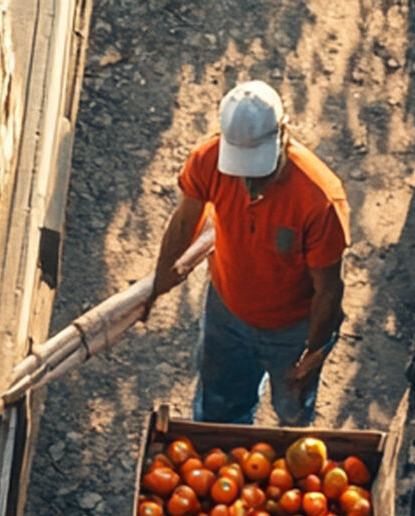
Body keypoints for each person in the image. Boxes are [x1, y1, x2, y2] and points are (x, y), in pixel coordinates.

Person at [147, 79, 350, 427]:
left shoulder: (319, 199)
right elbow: (184, 224)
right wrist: (158, 285)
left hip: (292, 329)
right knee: (220, 410)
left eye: (258, 169)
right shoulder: (208, 161)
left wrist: (313, 351)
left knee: (293, 409)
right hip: (227, 312)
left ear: (283, 134)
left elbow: (329, 288)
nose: (248, 183)